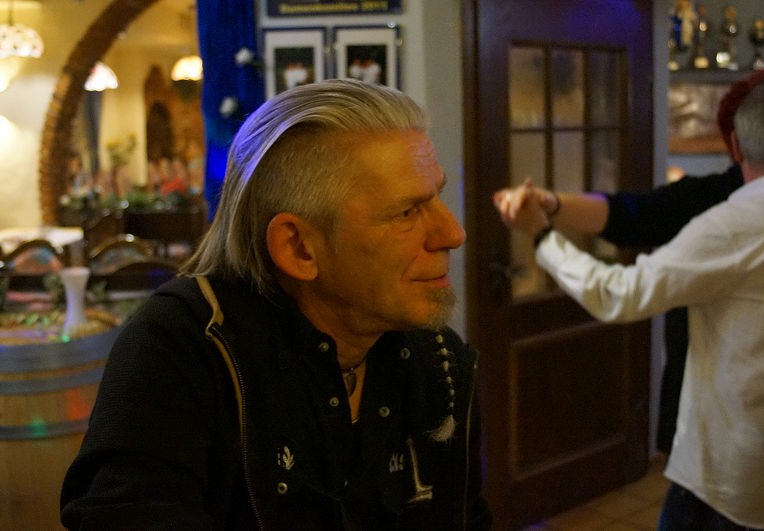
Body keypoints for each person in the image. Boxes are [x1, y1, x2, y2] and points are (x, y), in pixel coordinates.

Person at [61, 79, 491, 530]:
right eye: (406, 212)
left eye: (437, 196)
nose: (453, 233)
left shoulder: (437, 359)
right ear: (298, 248)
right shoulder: (181, 349)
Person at [495, 79, 764, 530]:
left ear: (736, 145)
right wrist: (553, 203)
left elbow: (620, 294)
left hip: (734, 465)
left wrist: (542, 237)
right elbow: (633, 213)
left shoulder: (731, 226)